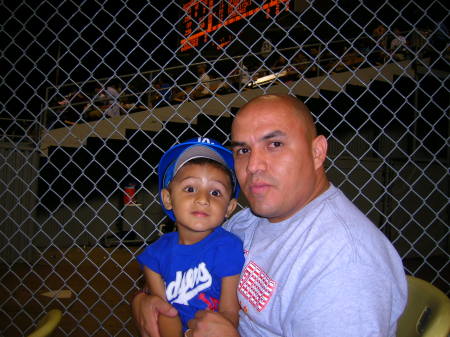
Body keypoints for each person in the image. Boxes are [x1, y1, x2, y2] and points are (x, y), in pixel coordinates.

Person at [132, 94, 408, 337]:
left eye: (274, 144)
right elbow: (183, 272)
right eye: (243, 150)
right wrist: (145, 301)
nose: (253, 165)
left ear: (317, 152)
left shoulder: (344, 263)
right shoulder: (248, 219)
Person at [136, 137, 245, 337]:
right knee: (166, 314)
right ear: (168, 199)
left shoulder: (228, 247)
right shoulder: (155, 253)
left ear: (229, 207)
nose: (203, 199)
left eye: (215, 192)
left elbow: (229, 311)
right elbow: (160, 307)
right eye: (190, 189)